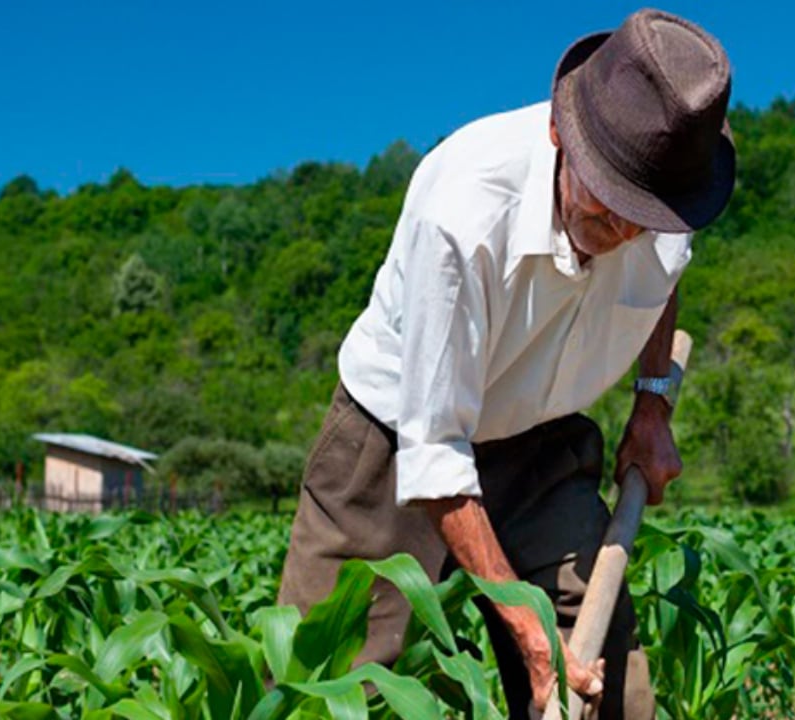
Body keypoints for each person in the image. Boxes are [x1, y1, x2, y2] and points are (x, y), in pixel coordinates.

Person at [277, 9, 734, 719]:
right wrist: (527, 630)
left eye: (642, 216)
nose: (623, 231)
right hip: (396, 442)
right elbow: (435, 453)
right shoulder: (463, 214)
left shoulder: (671, 192)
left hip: (539, 438)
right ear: (559, 134)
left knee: (604, 683)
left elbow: (663, 280)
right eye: (607, 203)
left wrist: (652, 405)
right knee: (334, 687)